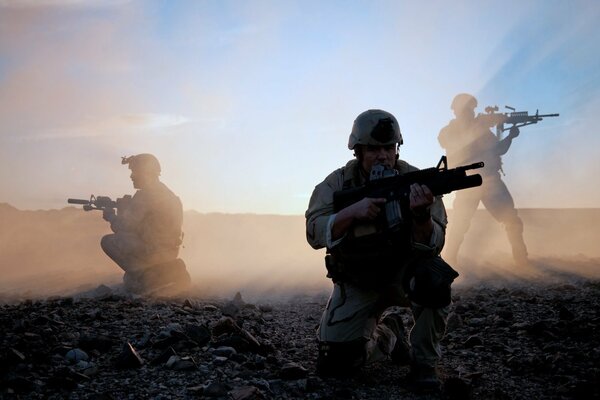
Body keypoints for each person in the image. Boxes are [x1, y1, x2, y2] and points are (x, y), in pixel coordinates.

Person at [305, 109, 454, 391]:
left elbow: (436, 244)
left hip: (406, 276)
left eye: (389, 147)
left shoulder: (417, 181)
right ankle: (389, 335)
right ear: (358, 152)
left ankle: (424, 363)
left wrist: (421, 216)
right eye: (373, 149)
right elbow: (313, 232)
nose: (383, 155)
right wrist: (351, 213)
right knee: (336, 362)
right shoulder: (336, 184)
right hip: (359, 279)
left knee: (434, 278)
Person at [438, 93, 528, 266]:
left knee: (511, 219)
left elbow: (498, 149)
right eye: (466, 109)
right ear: (456, 111)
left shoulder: (481, 129)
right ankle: (449, 260)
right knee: (459, 225)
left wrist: (509, 135)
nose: (470, 112)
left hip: (489, 180)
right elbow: (450, 143)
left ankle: (521, 259)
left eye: (472, 109)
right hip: (468, 181)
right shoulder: (449, 131)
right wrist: (477, 129)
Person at [100, 153, 191, 294]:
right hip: (169, 251)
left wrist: (111, 216)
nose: (132, 176)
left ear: (145, 173)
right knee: (129, 278)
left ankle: (150, 277)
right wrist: (126, 208)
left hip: (154, 251)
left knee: (107, 241)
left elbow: (124, 226)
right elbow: (148, 223)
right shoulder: (167, 193)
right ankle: (164, 270)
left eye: (134, 172)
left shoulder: (146, 195)